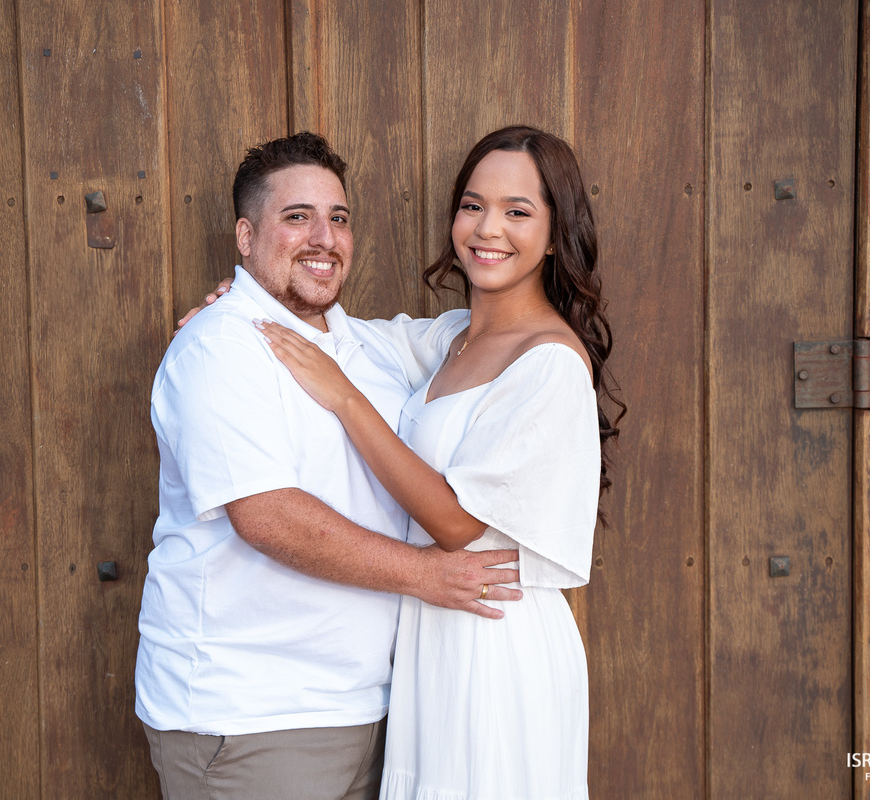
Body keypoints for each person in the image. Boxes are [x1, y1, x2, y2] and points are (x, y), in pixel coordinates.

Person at [135, 131, 524, 800]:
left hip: (362, 711)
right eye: (297, 217)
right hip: (250, 718)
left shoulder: (367, 346)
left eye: (337, 218)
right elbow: (268, 518)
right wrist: (428, 576)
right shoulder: (219, 348)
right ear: (246, 236)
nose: (324, 237)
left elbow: (505, 329)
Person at [257, 125, 621, 799]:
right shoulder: (451, 338)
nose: (488, 229)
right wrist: (241, 306)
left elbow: (458, 523)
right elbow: (340, 337)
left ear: (553, 231)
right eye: (472, 205)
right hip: (437, 630)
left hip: (496, 641)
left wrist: (345, 401)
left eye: (518, 211)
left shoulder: (549, 363)